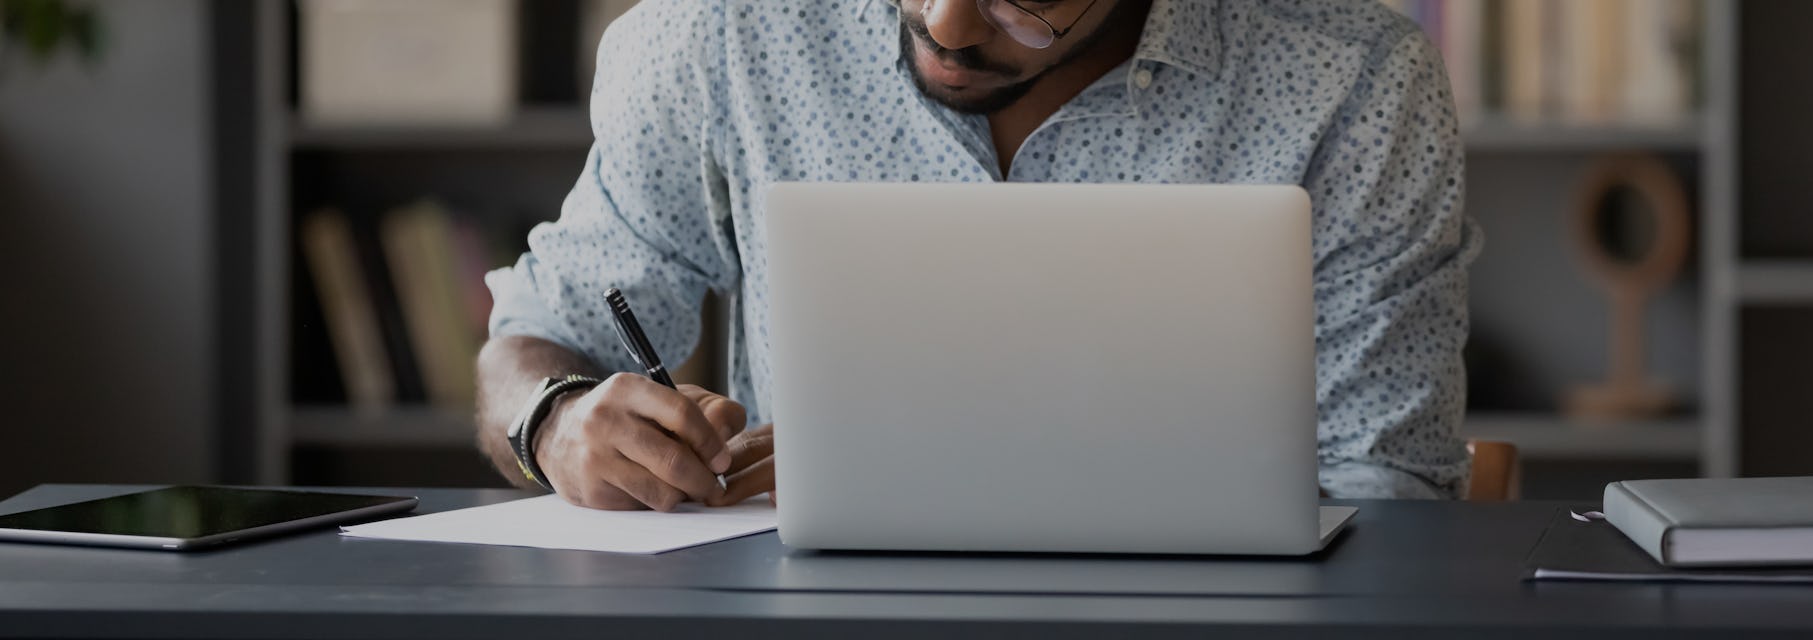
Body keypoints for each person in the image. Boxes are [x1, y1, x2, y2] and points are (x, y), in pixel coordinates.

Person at [476, 0, 1482, 511]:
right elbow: (539, 335)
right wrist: (555, 421)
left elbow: (1383, 492)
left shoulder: (1349, 83)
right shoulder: (728, 29)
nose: (949, 26)